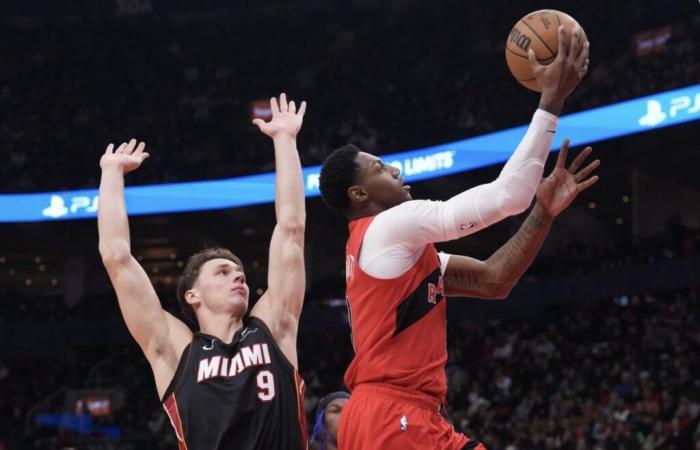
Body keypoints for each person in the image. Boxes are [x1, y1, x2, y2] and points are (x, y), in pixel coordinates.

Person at [319, 27, 594, 450]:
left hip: (393, 414)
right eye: (379, 169)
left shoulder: (394, 254)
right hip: (394, 416)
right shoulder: (391, 226)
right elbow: (506, 196)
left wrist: (543, 213)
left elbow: (493, 280)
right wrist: (551, 102)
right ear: (359, 195)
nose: (395, 171)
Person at [98, 94, 309, 449]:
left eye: (239, 272)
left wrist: (285, 141)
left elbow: (291, 228)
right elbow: (117, 258)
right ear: (191, 295)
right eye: (223, 272)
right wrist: (111, 173)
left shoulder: (275, 326)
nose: (238, 277)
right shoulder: (175, 349)